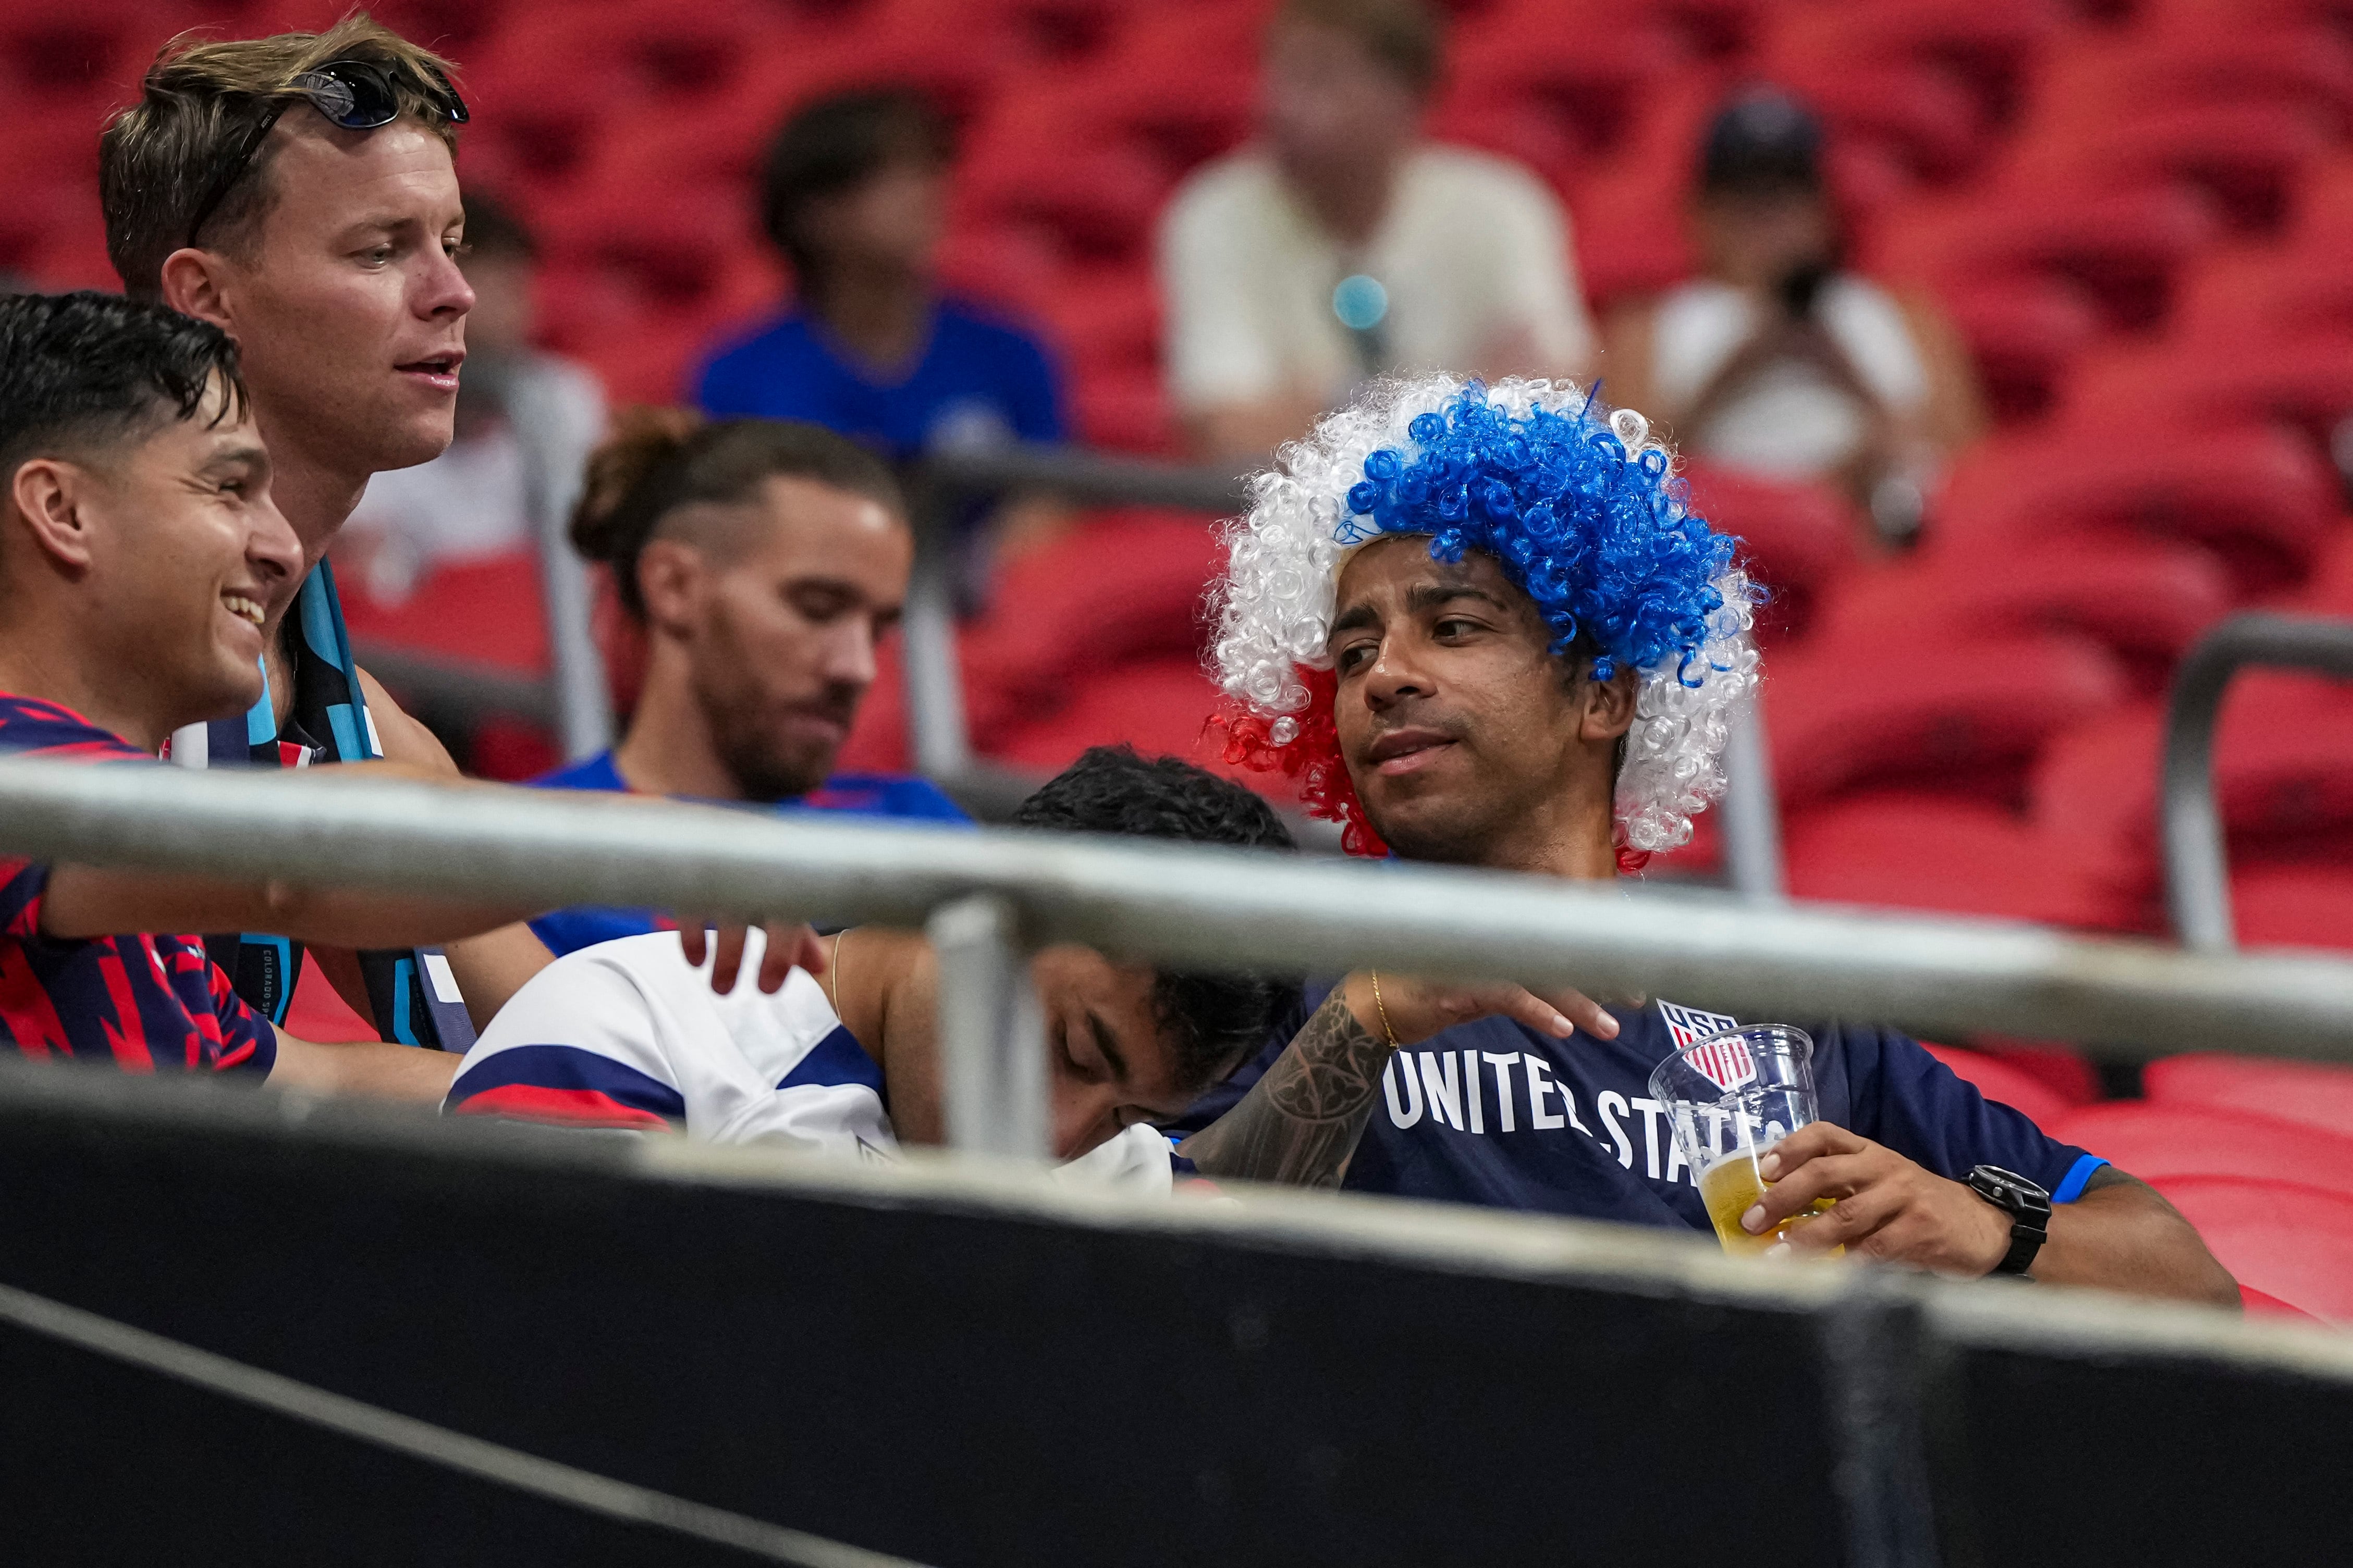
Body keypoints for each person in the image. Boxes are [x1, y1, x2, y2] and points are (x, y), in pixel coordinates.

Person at [1179, 371, 2237, 1305]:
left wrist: (1979, 1227)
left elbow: (2186, 1279)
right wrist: (1360, 1024)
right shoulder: (1291, 961)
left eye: (1452, 627)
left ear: (1604, 697)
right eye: (1354, 649)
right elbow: (1157, 1231)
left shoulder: (1775, 1000)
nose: (1385, 675)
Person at [100, 16, 555, 1043]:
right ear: (205, 300)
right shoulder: (77, 648)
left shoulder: (365, 719)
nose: (454, 295)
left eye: (451, 243)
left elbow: (566, 1036)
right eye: (380, 250)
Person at [0, 290, 552, 1098]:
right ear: (63, 509)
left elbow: (309, 1075)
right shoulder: (24, 778)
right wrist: (706, 860)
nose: (284, 548)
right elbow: (298, 871)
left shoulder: (118, 878)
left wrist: (636, 1113)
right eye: (228, 489)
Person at [449, 747, 1300, 1188]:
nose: (1057, 1138)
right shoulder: (624, 1029)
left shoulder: (1124, 1168)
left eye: (1124, 1113)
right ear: (976, 904)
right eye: (1071, 1050)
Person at [531, 411, 971, 957]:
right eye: (816, 608)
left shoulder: (917, 825)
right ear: (674, 587)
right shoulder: (525, 857)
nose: (858, 667)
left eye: (878, 630)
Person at [1160, 0, 1595, 463]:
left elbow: (1558, 396)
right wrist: (1467, 397)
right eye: (1278, 73)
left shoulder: (1504, 206)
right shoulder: (1212, 214)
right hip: (1290, 518)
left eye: (1320, 76)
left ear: (1405, 96)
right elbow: (1223, 432)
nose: (1280, 103)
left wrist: (1320, 408)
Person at [696, 87, 1069, 592]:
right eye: (888, 177)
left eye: (929, 170)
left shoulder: (1011, 350)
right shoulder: (740, 377)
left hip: (986, 623)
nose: (925, 193)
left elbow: (1047, 505)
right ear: (815, 214)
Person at [1597, 87, 1986, 541]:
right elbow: (1627, 482)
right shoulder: (1650, 327)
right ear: (1699, 212)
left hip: (1879, 541)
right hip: (1720, 540)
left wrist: (1843, 374)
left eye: (1786, 196)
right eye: (1743, 199)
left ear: (1824, 209)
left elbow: (1970, 469)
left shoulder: (1901, 313)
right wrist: (1739, 366)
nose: (1766, 218)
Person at [341, 190, 605, 601]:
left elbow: (586, 546)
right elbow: (370, 576)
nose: (519, 309)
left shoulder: (560, 394)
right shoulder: (367, 412)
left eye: (519, 286)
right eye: (498, 285)